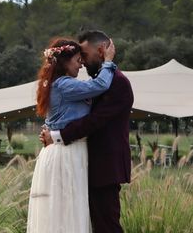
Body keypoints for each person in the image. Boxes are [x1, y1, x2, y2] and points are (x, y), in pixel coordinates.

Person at [41, 30, 134, 233]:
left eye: (84, 54)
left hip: (105, 166)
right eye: (78, 57)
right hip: (84, 163)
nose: (82, 61)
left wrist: (57, 136)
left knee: (106, 225)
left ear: (101, 51)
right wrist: (52, 127)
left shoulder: (117, 82)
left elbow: (94, 121)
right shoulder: (95, 81)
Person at [27, 37, 117, 233]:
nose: (81, 65)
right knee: (66, 211)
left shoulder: (56, 84)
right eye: (77, 60)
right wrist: (108, 62)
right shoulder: (64, 85)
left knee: (66, 211)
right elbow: (99, 86)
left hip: (67, 150)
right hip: (66, 153)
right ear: (64, 62)